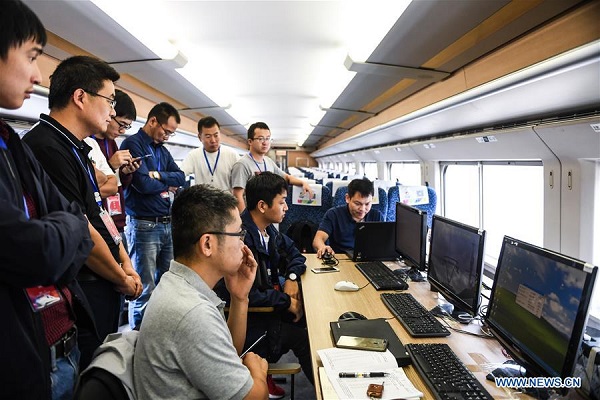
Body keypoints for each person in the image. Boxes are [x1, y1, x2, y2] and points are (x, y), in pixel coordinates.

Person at [0, 2, 96, 398]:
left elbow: (75, 225)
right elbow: (32, 253)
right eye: (31, 56)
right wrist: (61, 234)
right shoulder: (40, 145)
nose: (38, 75)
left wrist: (57, 236)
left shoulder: (10, 142)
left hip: (52, 343)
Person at [23, 55, 143, 369]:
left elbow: (99, 211)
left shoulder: (78, 148)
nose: (114, 111)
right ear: (80, 97)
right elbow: (79, 228)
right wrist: (122, 276)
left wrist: (125, 261)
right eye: (110, 100)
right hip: (83, 284)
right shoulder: (46, 148)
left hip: (104, 279)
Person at [134, 185, 268, 399]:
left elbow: (227, 352)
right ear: (207, 244)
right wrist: (258, 372)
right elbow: (253, 397)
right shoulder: (192, 313)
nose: (243, 244)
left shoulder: (177, 284)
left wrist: (239, 298)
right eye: (238, 234)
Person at [215, 172, 314, 398]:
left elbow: (296, 255)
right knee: (306, 338)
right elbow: (242, 294)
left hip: (269, 311)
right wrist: (286, 301)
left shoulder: (268, 231)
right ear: (262, 205)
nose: (286, 207)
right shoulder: (242, 240)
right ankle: (326, 390)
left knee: (312, 318)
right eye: (281, 202)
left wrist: (290, 279)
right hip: (254, 326)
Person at [119, 102, 186, 329]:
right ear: (153, 121)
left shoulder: (161, 150)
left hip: (166, 224)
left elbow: (181, 177)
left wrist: (158, 174)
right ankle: (138, 340)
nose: (167, 136)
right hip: (143, 226)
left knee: (168, 284)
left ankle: (160, 332)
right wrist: (164, 185)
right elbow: (143, 184)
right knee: (144, 287)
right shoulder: (133, 144)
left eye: (171, 133)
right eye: (166, 131)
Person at [90, 89, 140, 249]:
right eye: (121, 124)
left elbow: (118, 186)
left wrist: (125, 173)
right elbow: (91, 185)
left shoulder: (111, 143)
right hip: (98, 223)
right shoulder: (88, 142)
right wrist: (111, 165)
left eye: (127, 127)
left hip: (117, 222)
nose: (123, 131)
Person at [231, 121, 313, 212]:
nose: (265, 143)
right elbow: (237, 195)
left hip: (269, 214)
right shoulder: (242, 165)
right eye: (261, 139)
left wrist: (303, 183)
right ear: (250, 141)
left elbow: (286, 177)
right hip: (253, 215)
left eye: (268, 138)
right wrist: (245, 222)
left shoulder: (268, 161)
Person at [313, 178, 384, 257]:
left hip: (368, 259)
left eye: (367, 204)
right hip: (341, 259)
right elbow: (318, 240)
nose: (362, 209)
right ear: (347, 198)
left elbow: (384, 243)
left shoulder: (377, 216)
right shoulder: (334, 214)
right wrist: (322, 247)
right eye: (357, 203)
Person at [182, 115, 240, 191]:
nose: (213, 140)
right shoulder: (193, 155)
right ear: (200, 137)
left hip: (227, 201)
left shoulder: (232, 154)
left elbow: (240, 179)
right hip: (203, 201)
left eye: (216, 135)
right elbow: (181, 173)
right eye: (208, 136)